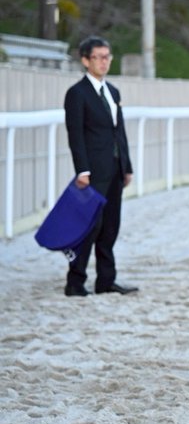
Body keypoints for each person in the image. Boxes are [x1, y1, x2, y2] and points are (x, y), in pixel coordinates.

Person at [63, 36, 137, 296]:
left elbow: (120, 132)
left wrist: (127, 166)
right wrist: (82, 170)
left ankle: (106, 280)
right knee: (88, 226)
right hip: (92, 171)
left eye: (108, 57)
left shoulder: (113, 92)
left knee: (110, 226)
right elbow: (76, 135)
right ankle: (75, 281)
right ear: (85, 60)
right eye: (99, 57)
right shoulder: (77, 94)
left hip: (115, 168)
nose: (104, 62)